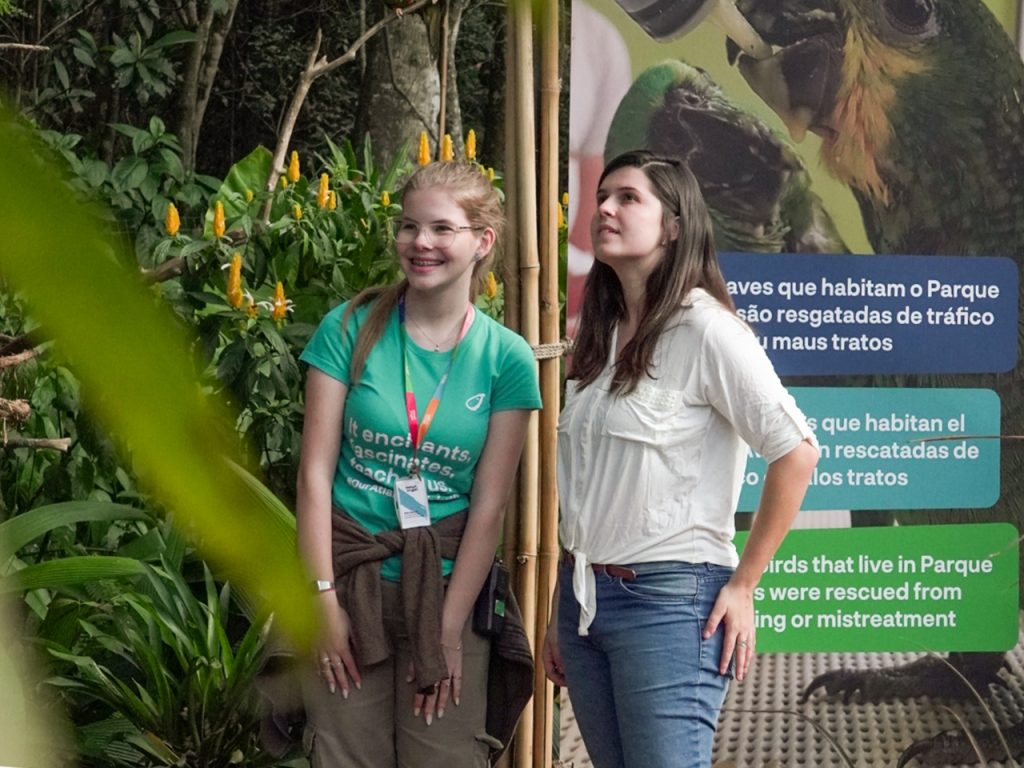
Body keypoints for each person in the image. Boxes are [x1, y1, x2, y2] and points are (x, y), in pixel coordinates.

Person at [542, 150, 818, 768]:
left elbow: (796, 452)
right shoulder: (599, 335)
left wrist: (744, 584)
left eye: (628, 198)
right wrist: (565, 611)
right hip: (585, 601)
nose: (605, 208)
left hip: (670, 606)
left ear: (674, 224)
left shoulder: (707, 330)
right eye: (603, 195)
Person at [295, 160, 542, 768]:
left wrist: (450, 629)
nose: (420, 244)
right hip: (351, 583)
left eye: (440, 229)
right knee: (345, 754)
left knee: (447, 756)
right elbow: (313, 475)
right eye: (408, 227)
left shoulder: (506, 358)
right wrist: (321, 600)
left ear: (482, 241)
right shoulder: (349, 327)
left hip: (447, 588)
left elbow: (489, 507)